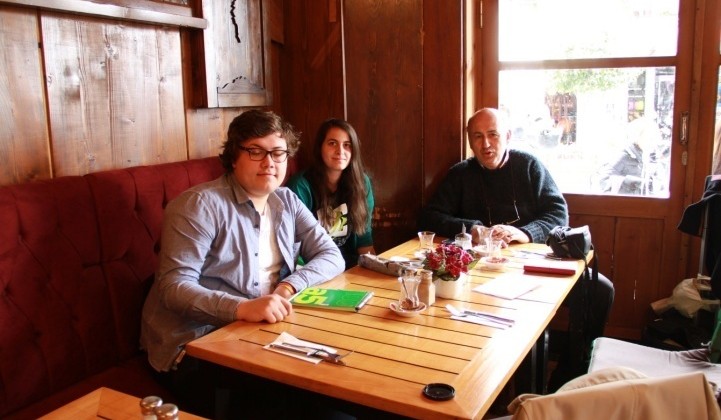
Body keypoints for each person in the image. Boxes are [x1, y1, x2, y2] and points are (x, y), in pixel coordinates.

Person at [140, 109, 345, 417]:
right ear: (234, 157)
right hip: (197, 342)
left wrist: (288, 287)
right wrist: (241, 308)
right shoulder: (199, 205)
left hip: (262, 331)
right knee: (292, 399)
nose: (269, 162)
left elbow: (331, 254)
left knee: (334, 381)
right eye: (256, 151)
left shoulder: (286, 200)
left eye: (278, 152)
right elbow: (173, 287)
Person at [418, 107, 615, 390]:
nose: (486, 144)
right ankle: (505, 386)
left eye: (493, 135)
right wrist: (472, 228)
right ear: (470, 141)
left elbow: (558, 214)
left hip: (531, 267)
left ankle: (571, 371)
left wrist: (524, 232)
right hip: (480, 272)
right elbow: (429, 217)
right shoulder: (461, 174)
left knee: (600, 290)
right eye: (478, 137)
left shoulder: (529, 166)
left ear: (508, 136)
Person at [286, 118, 375, 269]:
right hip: (315, 269)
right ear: (320, 147)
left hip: (351, 268)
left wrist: (373, 272)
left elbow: (364, 238)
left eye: (347, 145)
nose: (340, 151)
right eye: (332, 143)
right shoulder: (300, 186)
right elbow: (295, 247)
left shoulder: (361, 182)